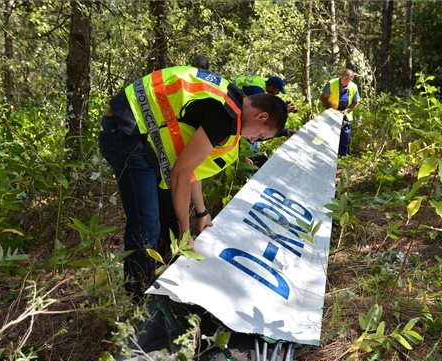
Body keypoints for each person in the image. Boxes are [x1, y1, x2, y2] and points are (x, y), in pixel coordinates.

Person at [99, 66, 288, 297]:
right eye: (260, 135)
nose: (252, 139)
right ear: (262, 116)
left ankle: (162, 285)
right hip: (125, 130)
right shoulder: (226, 114)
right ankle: (137, 301)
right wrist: (186, 233)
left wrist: (200, 212)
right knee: (147, 227)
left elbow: (191, 170)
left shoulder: (229, 102)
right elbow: (181, 172)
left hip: (139, 133)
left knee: (170, 222)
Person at [320, 69, 360, 156]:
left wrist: (347, 110)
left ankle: (343, 156)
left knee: (345, 135)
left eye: (349, 77)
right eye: (345, 76)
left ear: (352, 78)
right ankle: (326, 155)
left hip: (345, 115)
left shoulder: (354, 87)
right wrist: (331, 110)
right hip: (331, 113)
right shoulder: (331, 84)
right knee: (329, 134)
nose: (346, 78)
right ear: (341, 75)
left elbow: (356, 101)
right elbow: (323, 98)